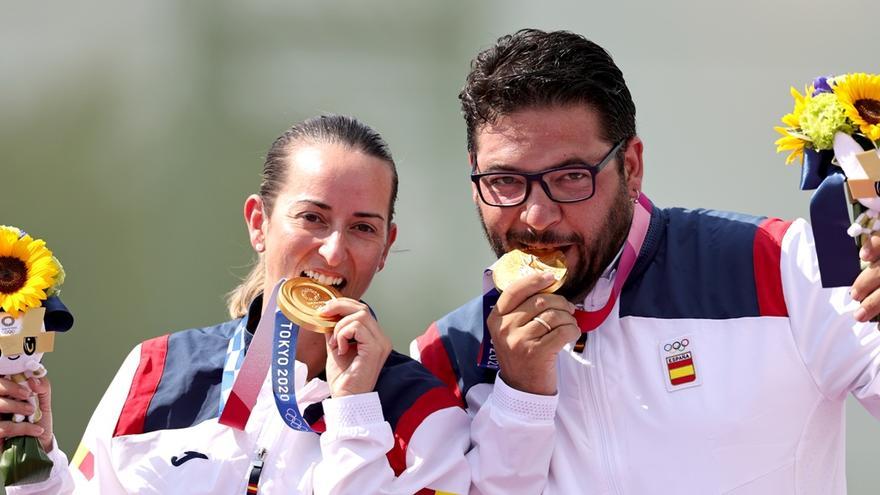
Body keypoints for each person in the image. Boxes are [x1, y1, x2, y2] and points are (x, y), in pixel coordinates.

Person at [411, 29, 880, 494]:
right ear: (475, 179)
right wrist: (519, 395)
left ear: (631, 167)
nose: (537, 215)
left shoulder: (783, 265)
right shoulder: (445, 354)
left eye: (572, 176)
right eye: (505, 180)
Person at [2, 115, 470, 494]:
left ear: (386, 247)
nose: (332, 251)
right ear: (259, 223)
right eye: (312, 217)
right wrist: (38, 467)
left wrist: (354, 414)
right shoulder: (156, 369)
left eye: (362, 228)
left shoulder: (427, 416)